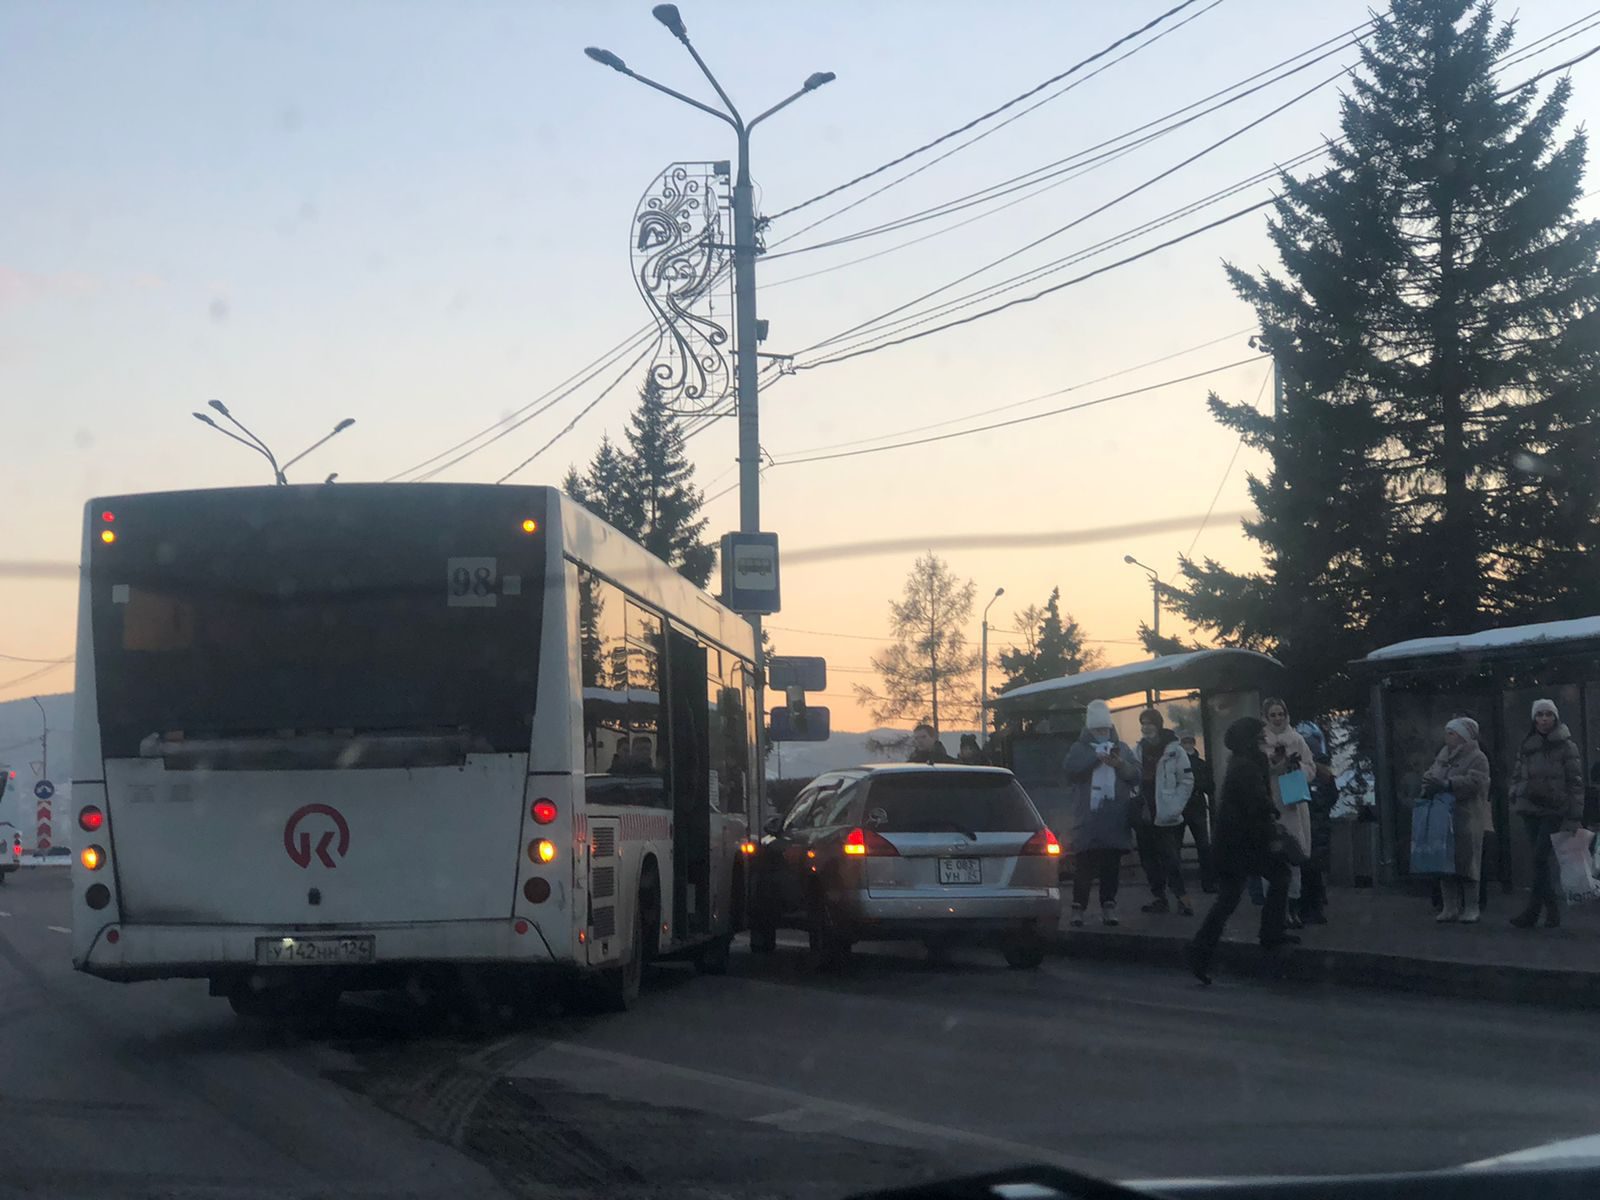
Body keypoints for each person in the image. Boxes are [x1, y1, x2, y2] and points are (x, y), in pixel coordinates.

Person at [1185, 717, 1297, 984]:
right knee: (1277, 877)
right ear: (1249, 740)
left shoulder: (1243, 762)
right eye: (1259, 735)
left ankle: (1201, 952)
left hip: (1237, 843)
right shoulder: (1247, 766)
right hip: (1243, 843)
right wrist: (1272, 816)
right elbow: (1256, 803)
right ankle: (1270, 935)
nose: (1264, 738)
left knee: (1230, 899)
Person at [1061, 699, 1141, 927]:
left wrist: (1119, 764)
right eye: (1097, 730)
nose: (1102, 734)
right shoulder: (1079, 749)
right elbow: (1070, 772)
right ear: (1089, 730)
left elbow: (1135, 775)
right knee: (1084, 867)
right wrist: (1094, 760)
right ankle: (1078, 908)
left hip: (1115, 818)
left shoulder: (1122, 748)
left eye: (1104, 729)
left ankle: (1109, 906)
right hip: (1088, 820)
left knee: (1110, 867)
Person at [1508, 699, 1585, 930]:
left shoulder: (1566, 746)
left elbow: (1575, 783)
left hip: (1554, 809)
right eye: (1539, 715)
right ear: (1534, 718)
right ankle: (1550, 911)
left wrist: (1574, 817)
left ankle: (1535, 911)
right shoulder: (1526, 744)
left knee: (1539, 858)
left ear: (1555, 717)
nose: (1544, 719)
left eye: (1548, 714)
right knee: (1538, 861)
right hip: (1530, 807)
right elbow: (1518, 773)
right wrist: (1515, 791)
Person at [1419, 716, 1491, 924]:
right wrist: (1429, 784)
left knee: (1468, 862)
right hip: (1443, 815)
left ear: (1463, 736)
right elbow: (1430, 774)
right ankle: (1449, 906)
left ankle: (1471, 906)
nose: (1447, 737)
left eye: (1452, 733)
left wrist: (1448, 784)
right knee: (1444, 861)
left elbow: (1477, 783)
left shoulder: (1478, 758)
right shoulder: (1442, 755)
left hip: (1467, 815)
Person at [1131, 709, 1195, 915]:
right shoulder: (1137, 750)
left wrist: (1175, 806)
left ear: (1158, 725)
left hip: (1166, 815)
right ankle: (1159, 898)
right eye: (1143, 723)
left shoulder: (1176, 751)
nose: (1146, 727)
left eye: (1149, 723)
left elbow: (1187, 780)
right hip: (1144, 814)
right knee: (1148, 860)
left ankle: (1182, 898)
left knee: (1171, 859)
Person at [1262, 698, 1316, 929]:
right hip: (1271, 804)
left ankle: (1293, 909)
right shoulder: (1261, 742)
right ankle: (1276, 910)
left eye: (1280, 714)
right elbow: (1258, 771)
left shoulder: (1297, 739)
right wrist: (1274, 765)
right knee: (1272, 858)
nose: (1277, 719)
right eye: (1273, 715)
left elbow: (1311, 768)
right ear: (1266, 717)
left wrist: (1297, 767)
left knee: (1294, 856)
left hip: (1293, 804)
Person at [1298, 721, 1335, 926]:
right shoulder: (1321, 771)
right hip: (1314, 824)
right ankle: (1313, 907)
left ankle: (1310, 908)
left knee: (1310, 869)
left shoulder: (1311, 771)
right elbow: (1331, 796)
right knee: (1312, 869)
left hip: (1312, 824)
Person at [1179, 733, 1218, 894]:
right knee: (1176, 846)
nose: (1187, 745)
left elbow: (1210, 786)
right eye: (1185, 742)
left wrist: (1197, 785)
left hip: (1195, 806)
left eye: (1189, 742)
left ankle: (1208, 883)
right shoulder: (1178, 763)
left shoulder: (1201, 764)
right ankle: (1178, 884)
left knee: (1203, 846)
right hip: (1182, 806)